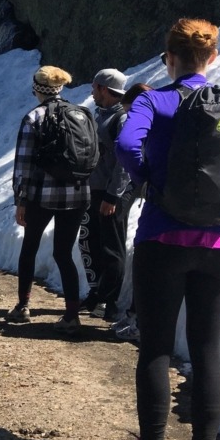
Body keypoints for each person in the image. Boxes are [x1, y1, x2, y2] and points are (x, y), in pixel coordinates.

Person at [112, 18, 220, 440]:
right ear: (213, 58)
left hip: (162, 239)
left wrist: (151, 183)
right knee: (206, 351)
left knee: (157, 347)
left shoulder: (156, 99)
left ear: (170, 59)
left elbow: (125, 143)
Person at [7, 65, 90, 333]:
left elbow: (24, 165)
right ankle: (72, 315)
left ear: (37, 89)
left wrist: (21, 200)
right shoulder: (80, 113)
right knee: (63, 253)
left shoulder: (34, 118)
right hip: (78, 194)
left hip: (42, 196)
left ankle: (23, 306)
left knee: (29, 247)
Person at [78, 68, 133, 323]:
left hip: (111, 193)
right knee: (94, 243)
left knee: (112, 248)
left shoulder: (120, 119)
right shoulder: (101, 115)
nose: (91, 92)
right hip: (97, 190)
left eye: (94, 87)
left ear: (102, 88)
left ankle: (109, 301)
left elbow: (124, 162)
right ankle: (98, 292)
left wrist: (113, 195)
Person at [109, 82, 154, 343]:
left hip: (158, 207)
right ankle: (135, 315)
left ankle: (138, 320)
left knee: (145, 260)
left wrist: (142, 178)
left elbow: (127, 149)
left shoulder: (148, 123)